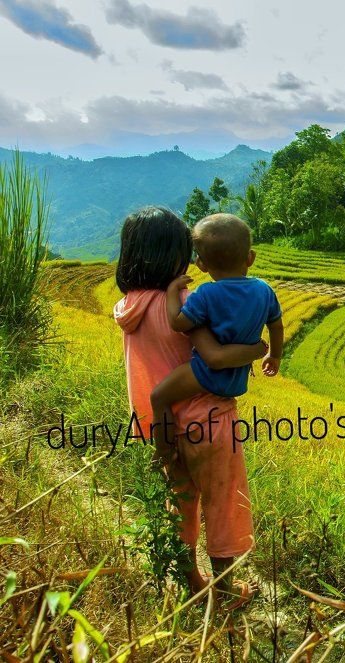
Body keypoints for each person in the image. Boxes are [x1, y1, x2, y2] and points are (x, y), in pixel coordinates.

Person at [113, 207, 263, 608]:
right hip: (208, 419)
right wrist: (258, 349)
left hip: (161, 426)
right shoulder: (185, 303)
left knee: (180, 502)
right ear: (176, 255)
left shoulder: (128, 306)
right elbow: (217, 355)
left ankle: (190, 581)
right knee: (223, 499)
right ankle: (228, 590)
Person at [149, 213, 284, 461]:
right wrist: (274, 355)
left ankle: (164, 451)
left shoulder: (206, 294)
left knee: (159, 397)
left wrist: (171, 292)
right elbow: (276, 326)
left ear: (201, 264)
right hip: (237, 379)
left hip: (206, 374)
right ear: (250, 257)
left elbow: (178, 323)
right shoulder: (264, 291)